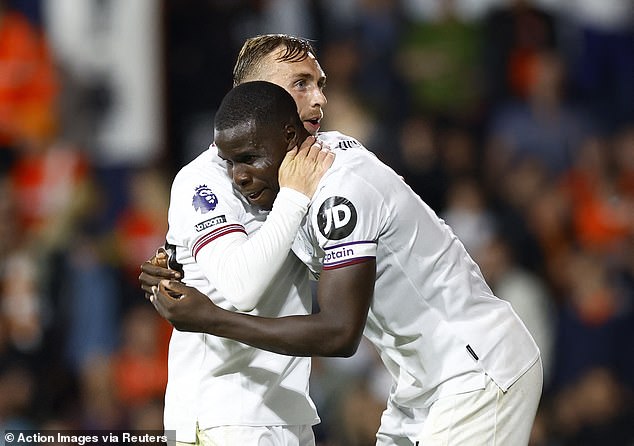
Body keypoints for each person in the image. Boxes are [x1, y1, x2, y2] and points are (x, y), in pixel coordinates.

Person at [149, 80, 544, 446]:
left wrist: (211, 318)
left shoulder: (338, 192)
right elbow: (245, 256)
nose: (239, 177)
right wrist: (170, 264)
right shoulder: (292, 179)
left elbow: (339, 333)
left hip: (474, 369)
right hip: (419, 383)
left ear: (289, 136)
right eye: (230, 163)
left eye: (249, 158)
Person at [139, 34, 335, 446]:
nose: (318, 99)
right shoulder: (204, 179)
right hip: (223, 415)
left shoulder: (305, 168)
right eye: (300, 83)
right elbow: (241, 286)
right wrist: (296, 197)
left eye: (320, 84)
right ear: (254, 95)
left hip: (287, 410)